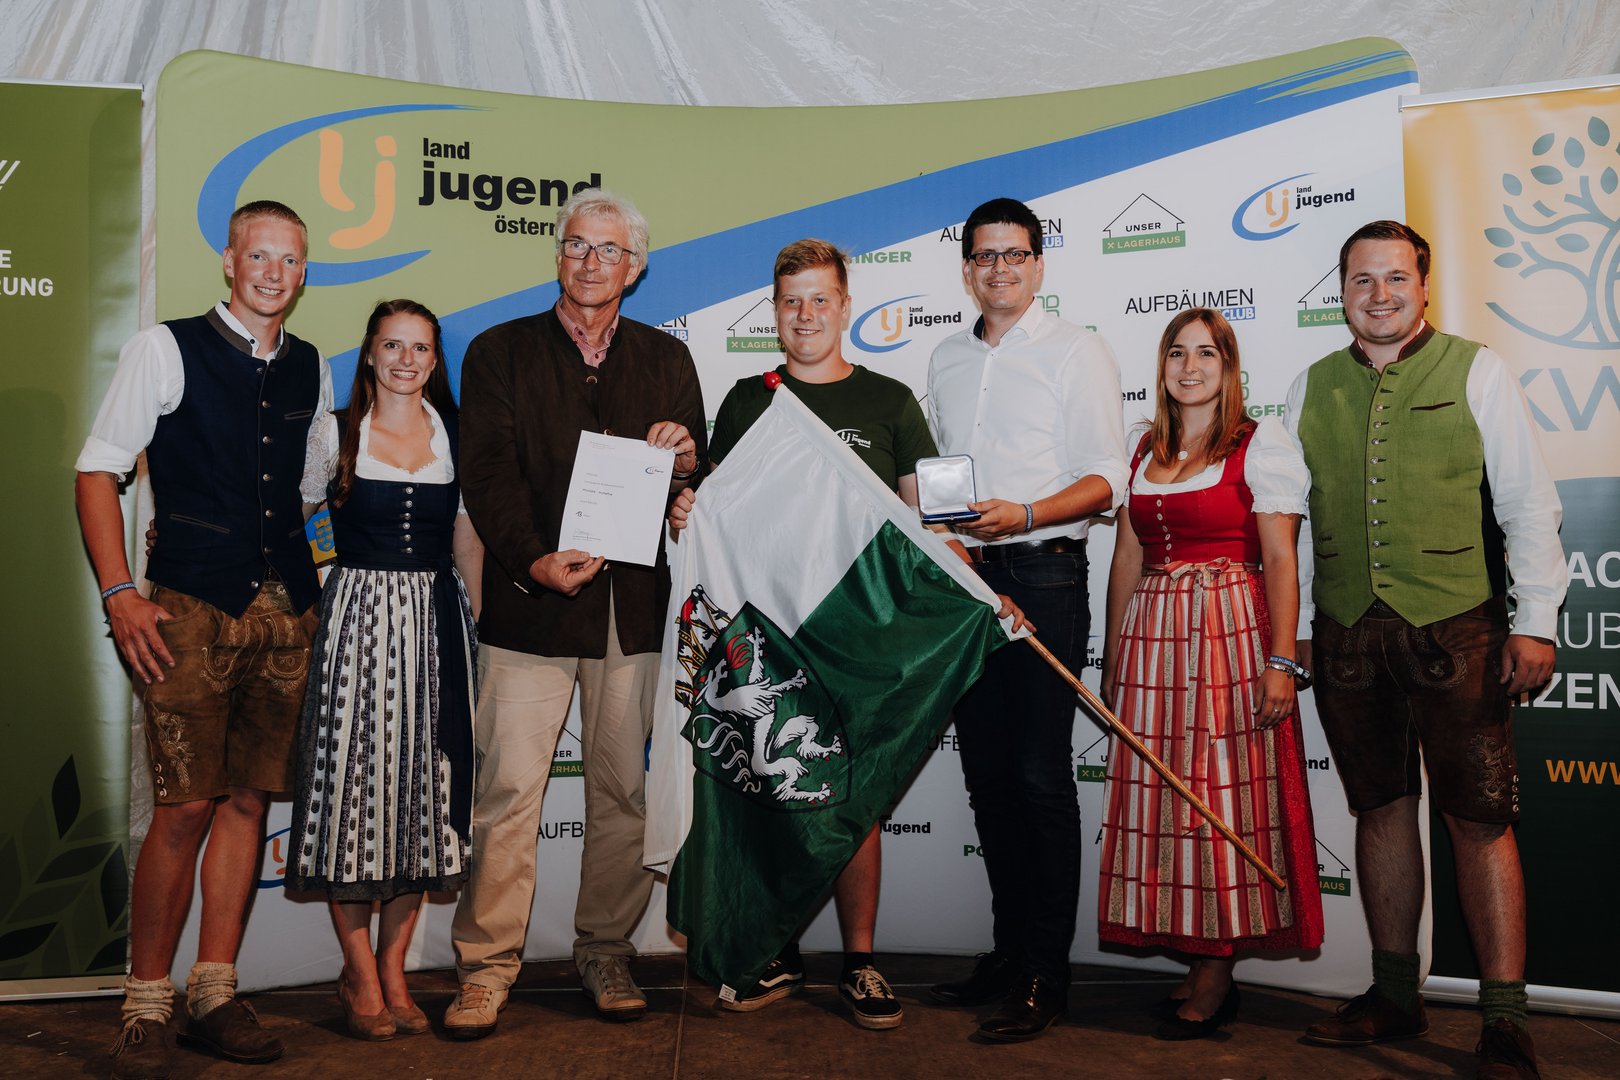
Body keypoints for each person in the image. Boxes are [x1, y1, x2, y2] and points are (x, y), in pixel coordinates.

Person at [667, 238, 1024, 1029]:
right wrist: (688, 504)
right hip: (773, 635)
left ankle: (860, 961)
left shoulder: (890, 401)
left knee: (853, 799)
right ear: (774, 312)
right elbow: (719, 508)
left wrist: (983, 593)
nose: (806, 315)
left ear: (846, 307)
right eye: (791, 301)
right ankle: (774, 947)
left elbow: (933, 525)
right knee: (771, 789)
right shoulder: (747, 400)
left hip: (861, 637)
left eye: (820, 299)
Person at [1289, 221, 1565, 1080]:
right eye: (1361, 280)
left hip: (1458, 628)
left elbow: (1527, 502)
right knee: (1379, 809)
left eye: (1396, 278)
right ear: (1341, 291)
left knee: (1477, 818)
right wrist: (1299, 626)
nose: (1379, 295)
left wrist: (1536, 617)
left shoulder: (1477, 369)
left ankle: (1505, 1020)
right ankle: (1394, 994)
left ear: (1423, 286)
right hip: (1345, 634)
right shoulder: (1308, 384)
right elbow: (1294, 521)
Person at [75, 201, 330, 1079]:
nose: (273, 273)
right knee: (184, 806)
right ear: (229, 260)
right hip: (188, 610)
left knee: (250, 802)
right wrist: (120, 592)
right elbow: (97, 470)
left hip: (286, 614)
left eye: (289, 260)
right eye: (259, 256)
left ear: (304, 272)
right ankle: (147, 1001)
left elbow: (302, 491)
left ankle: (214, 993)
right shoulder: (165, 347)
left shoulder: (312, 366)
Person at [445, 188, 705, 1037]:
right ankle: (486, 969)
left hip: (629, 615)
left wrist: (685, 464)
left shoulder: (667, 359)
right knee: (508, 795)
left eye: (609, 250)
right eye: (577, 246)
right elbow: (486, 475)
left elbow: (692, 474)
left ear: (635, 267)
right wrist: (533, 560)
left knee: (621, 795)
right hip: (528, 610)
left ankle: (605, 951)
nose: (591, 263)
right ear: (558, 255)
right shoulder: (499, 351)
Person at [924, 197, 1128, 1042]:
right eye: (985, 255)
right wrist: (948, 536)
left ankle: (1048, 972)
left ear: (1039, 265)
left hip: (1045, 574)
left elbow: (1109, 476)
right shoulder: (944, 357)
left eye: (1015, 255)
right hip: (967, 582)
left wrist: (1029, 513)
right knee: (988, 778)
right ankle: (1010, 954)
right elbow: (939, 479)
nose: (999, 269)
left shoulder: (1078, 349)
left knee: (1042, 777)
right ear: (966, 268)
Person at [1096, 308, 1324, 1040]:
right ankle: (1197, 956)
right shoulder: (1144, 447)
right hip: (1154, 637)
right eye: (1176, 353)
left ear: (1229, 368)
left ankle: (1219, 967)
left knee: (1221, 797)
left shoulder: (1259, 442)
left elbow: (1282, 558)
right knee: (1168, 796)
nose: (1189, 367)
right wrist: (1115, 655)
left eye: (1206, 354)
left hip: (1227, 631)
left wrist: (1281, 661)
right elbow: (1127, 555)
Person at [284, 300, 483, 1040]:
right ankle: (359, 971)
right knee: (352, 796)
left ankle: (395, 967)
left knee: (422, 801)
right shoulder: (335, 432)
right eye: (392, 345)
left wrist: (481, 627)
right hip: (356, 621)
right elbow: (294, 521)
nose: (405, 359)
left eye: (419, 348)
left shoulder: (454, 432)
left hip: (435, 621)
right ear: (370, 353)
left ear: (435, 360)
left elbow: (467, 539)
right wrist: (310, 609)